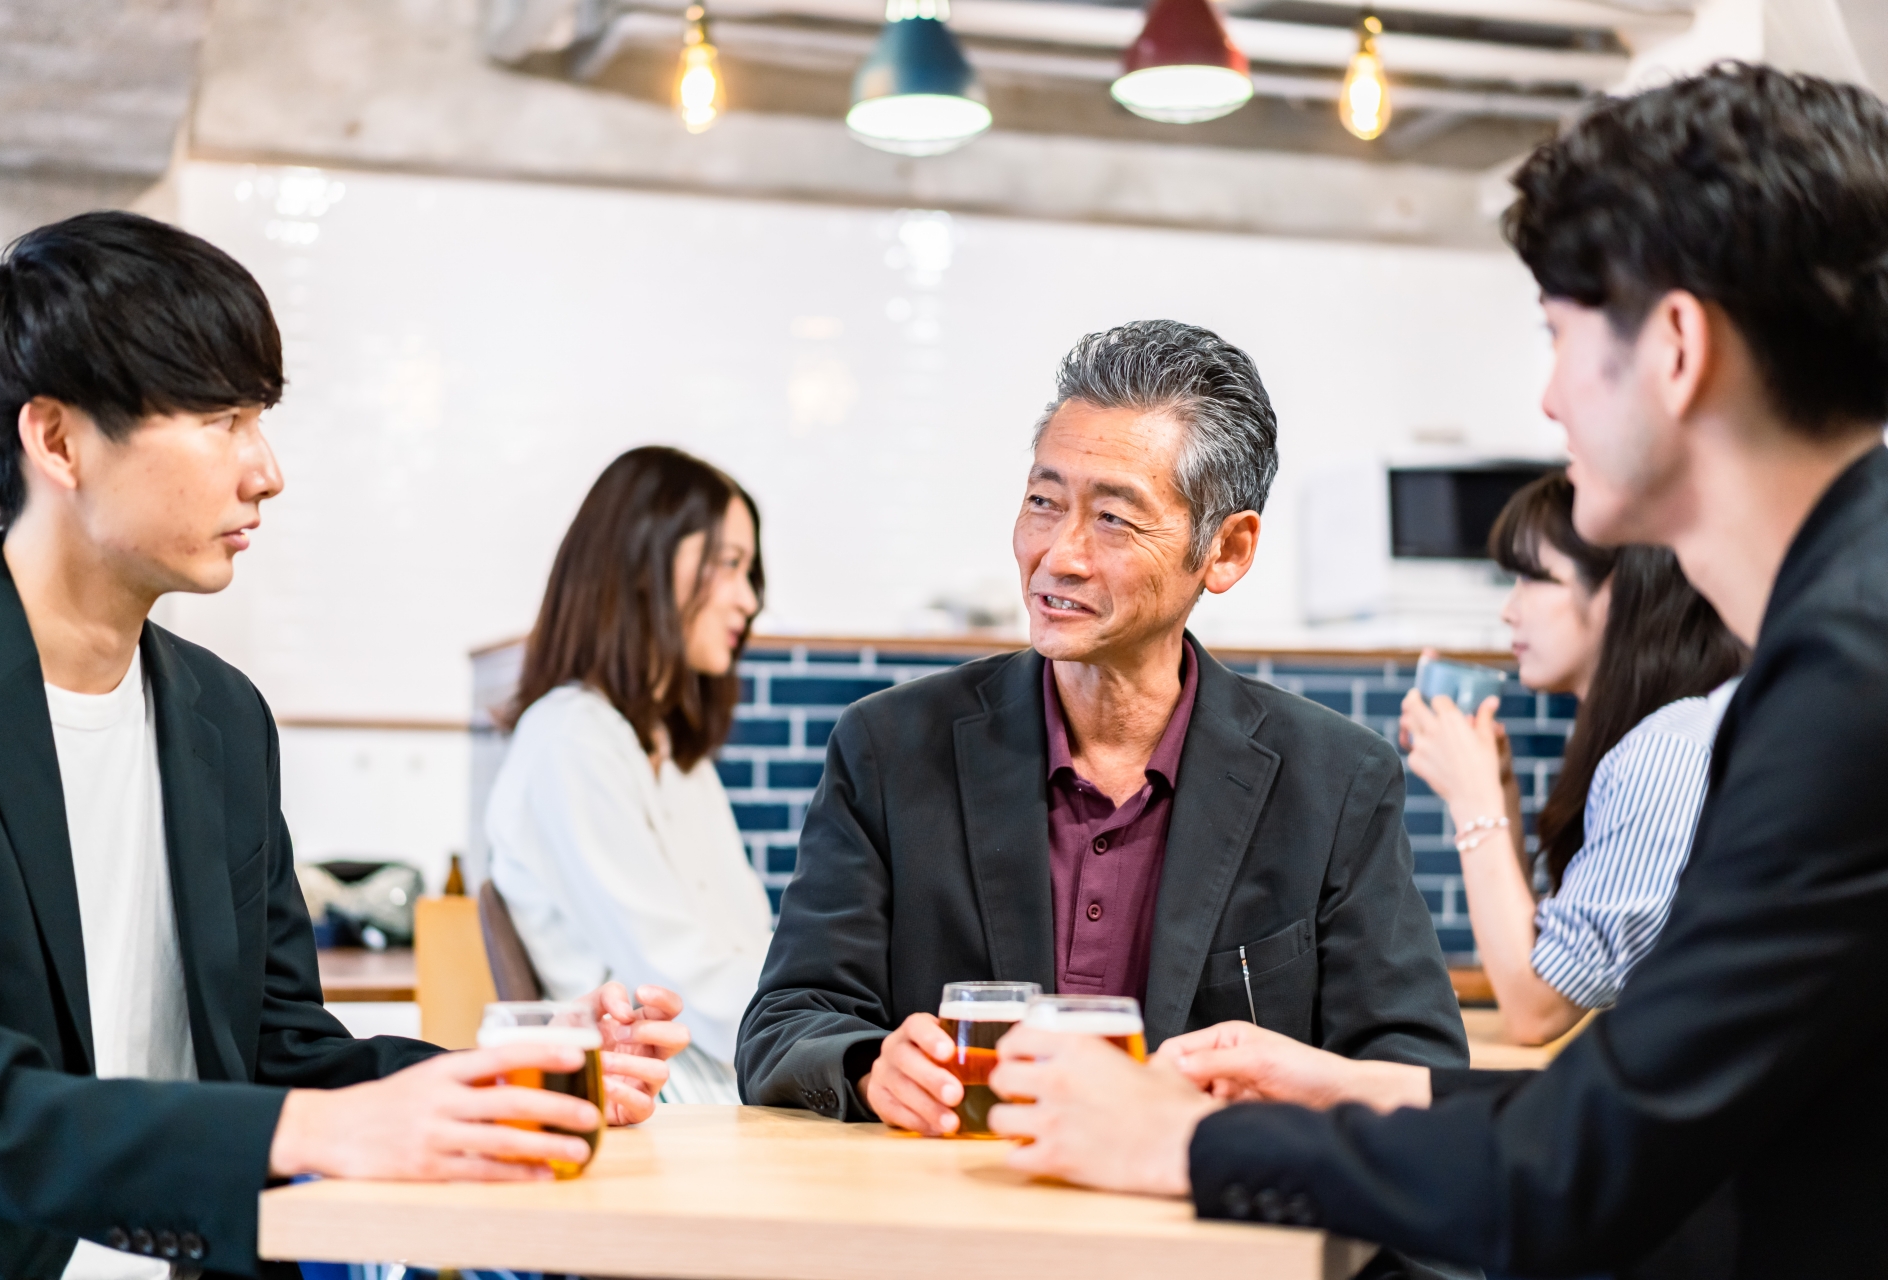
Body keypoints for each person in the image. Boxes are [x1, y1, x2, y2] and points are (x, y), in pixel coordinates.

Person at [986, 64, 1888, 1280]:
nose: (1549, 397)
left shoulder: (1850, 669)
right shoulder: (1839, 629)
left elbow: (1576, 1176)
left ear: (1677, 346)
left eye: (1562, 336)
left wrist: (1191, 1139)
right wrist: (1346, 1090)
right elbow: (1634, 1115)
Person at [0, 212, 688, 1280]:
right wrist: (306, 1133)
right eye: (222, 419)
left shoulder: (222, 716)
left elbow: (281, 1052)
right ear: (60, 439)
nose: (266, 471)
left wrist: (507, 1076)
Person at [737, 319, 1466, 1133]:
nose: (1061, 554)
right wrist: (869, 1066)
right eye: (1044, 503)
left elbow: (1414, 1072)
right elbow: (785, 1024)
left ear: (1225, 551)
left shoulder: (1335, 783)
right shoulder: (888, 748)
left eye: (1114, 519)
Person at [1400, 473, 1744, 1044]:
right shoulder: (1650, 738)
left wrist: (1474, 802)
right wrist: (1499, 798)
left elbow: (1536, 1010)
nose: (1509, 610)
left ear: (1619, 592)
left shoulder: (1666, 750)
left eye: (1536, 578)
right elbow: (1539, 965)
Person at [487, 446, 774, 1102]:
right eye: (729, 565)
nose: (748, 599)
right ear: (644, 565)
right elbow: (678, 976)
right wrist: (824, 1037)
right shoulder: (570, 739)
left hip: (713, 1082)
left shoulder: (671, 752)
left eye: (749, 571)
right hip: (655, 1103)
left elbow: (747, 940)